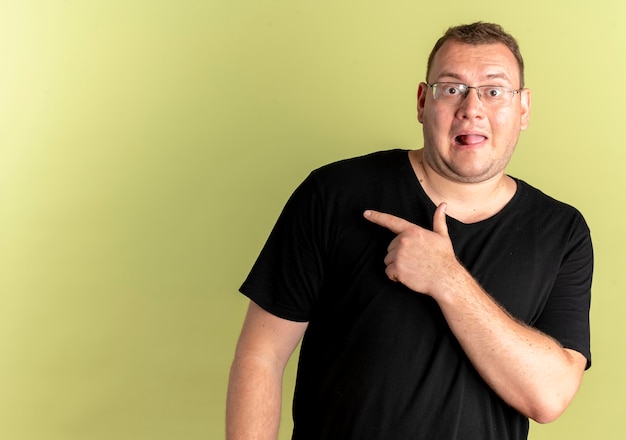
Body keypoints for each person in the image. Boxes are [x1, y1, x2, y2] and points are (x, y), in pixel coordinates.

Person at [226, 22, 593, 440]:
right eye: (451, 88)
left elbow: (549, 397)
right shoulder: (333, 194)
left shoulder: (561, 232)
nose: (471, 108)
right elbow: (261, 356)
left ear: (523, 109)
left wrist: (446, 278)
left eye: (494, 91)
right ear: (423, 101)